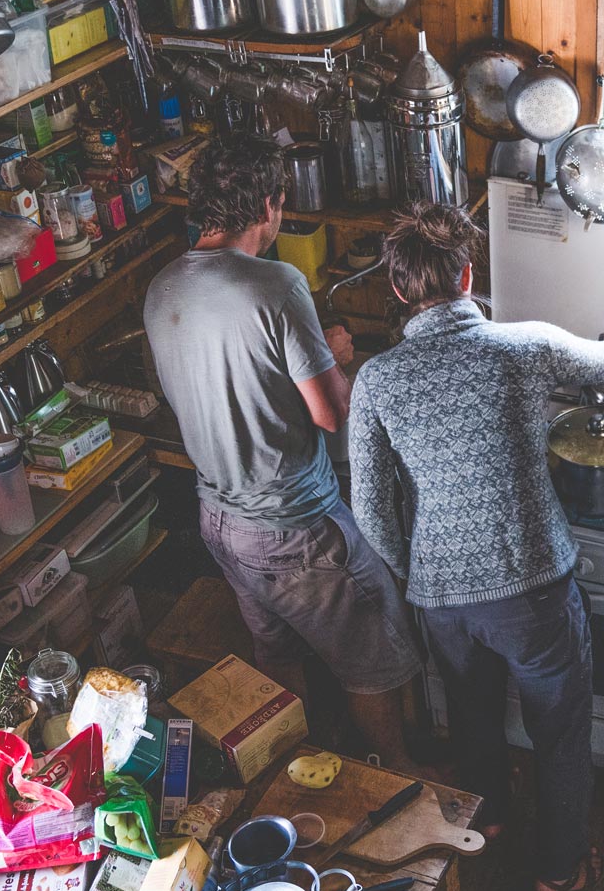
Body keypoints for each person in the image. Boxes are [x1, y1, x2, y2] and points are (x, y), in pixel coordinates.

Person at [347, 204, 604, 891]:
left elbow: (369, 507)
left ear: (397, 292)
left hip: (442, 600)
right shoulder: (523, 346)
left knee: (473, 715)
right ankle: (560, 867)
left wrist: (416, 569)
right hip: (533, 587)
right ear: (468, 276)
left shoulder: (377, 380)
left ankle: (493, 819)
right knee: (560, 728)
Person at [142, 133, 427, 774]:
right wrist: (339, 361)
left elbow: (223, 381)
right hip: (293, 526)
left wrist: (304, 359)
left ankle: (295, 771)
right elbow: (331, 412)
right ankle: (398, 774)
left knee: (276, 652)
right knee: (377, 651)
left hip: (218, 519)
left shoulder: (163, 285)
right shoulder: (277, 284)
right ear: (269, 204)